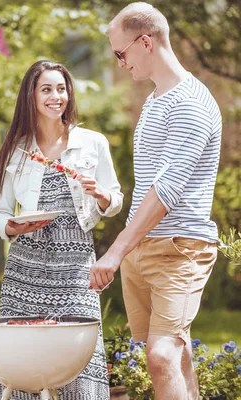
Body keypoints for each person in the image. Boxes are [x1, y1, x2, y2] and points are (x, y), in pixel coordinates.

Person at [90, 3, 222, 399]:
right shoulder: (156, 99)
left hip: (178, 249)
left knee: (161, 356)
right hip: (144, 251)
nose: (120, 63)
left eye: (121, 53)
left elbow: (166, 191)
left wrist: (113, 252)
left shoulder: (189, 104)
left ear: (145, 42)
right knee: (174, 356)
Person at [0, 60, 123, 399]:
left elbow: (115, 199)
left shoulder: (93, 143)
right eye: (46, 89)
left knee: (81, 357)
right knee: (23, 359)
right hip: (26, 267)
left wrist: (101, 195)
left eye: (61, 89)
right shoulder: (16, 151)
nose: (55, 96)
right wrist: (13, 225)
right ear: (31, 96)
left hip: (76, 263)